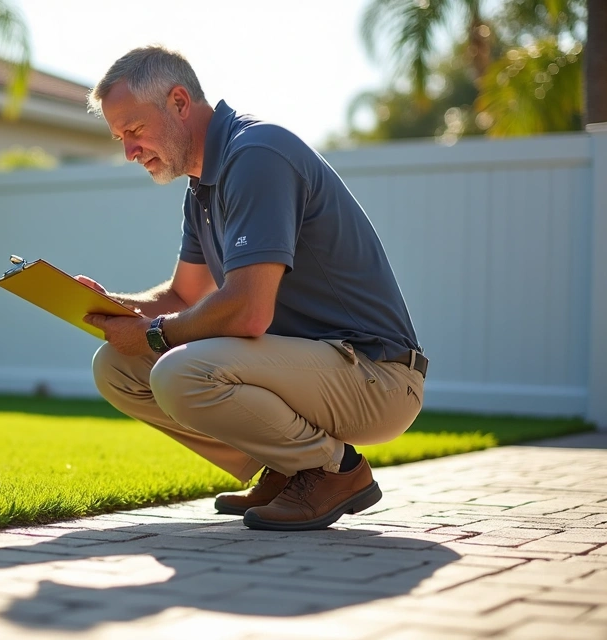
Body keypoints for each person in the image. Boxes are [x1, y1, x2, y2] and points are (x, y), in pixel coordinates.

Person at [79, 46, 428, 531]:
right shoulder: (202, 186)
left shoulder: (257, 154)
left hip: (377, 376)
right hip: (312, 366)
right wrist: (109, 306)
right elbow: (184, 297)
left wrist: (154, 334)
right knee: (117, 366)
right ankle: (288, 467)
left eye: (134, 131)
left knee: (179, 371)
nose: (129, 151)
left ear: (179, 102)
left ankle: (333, 469)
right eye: (120, 138)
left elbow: (248, 312)